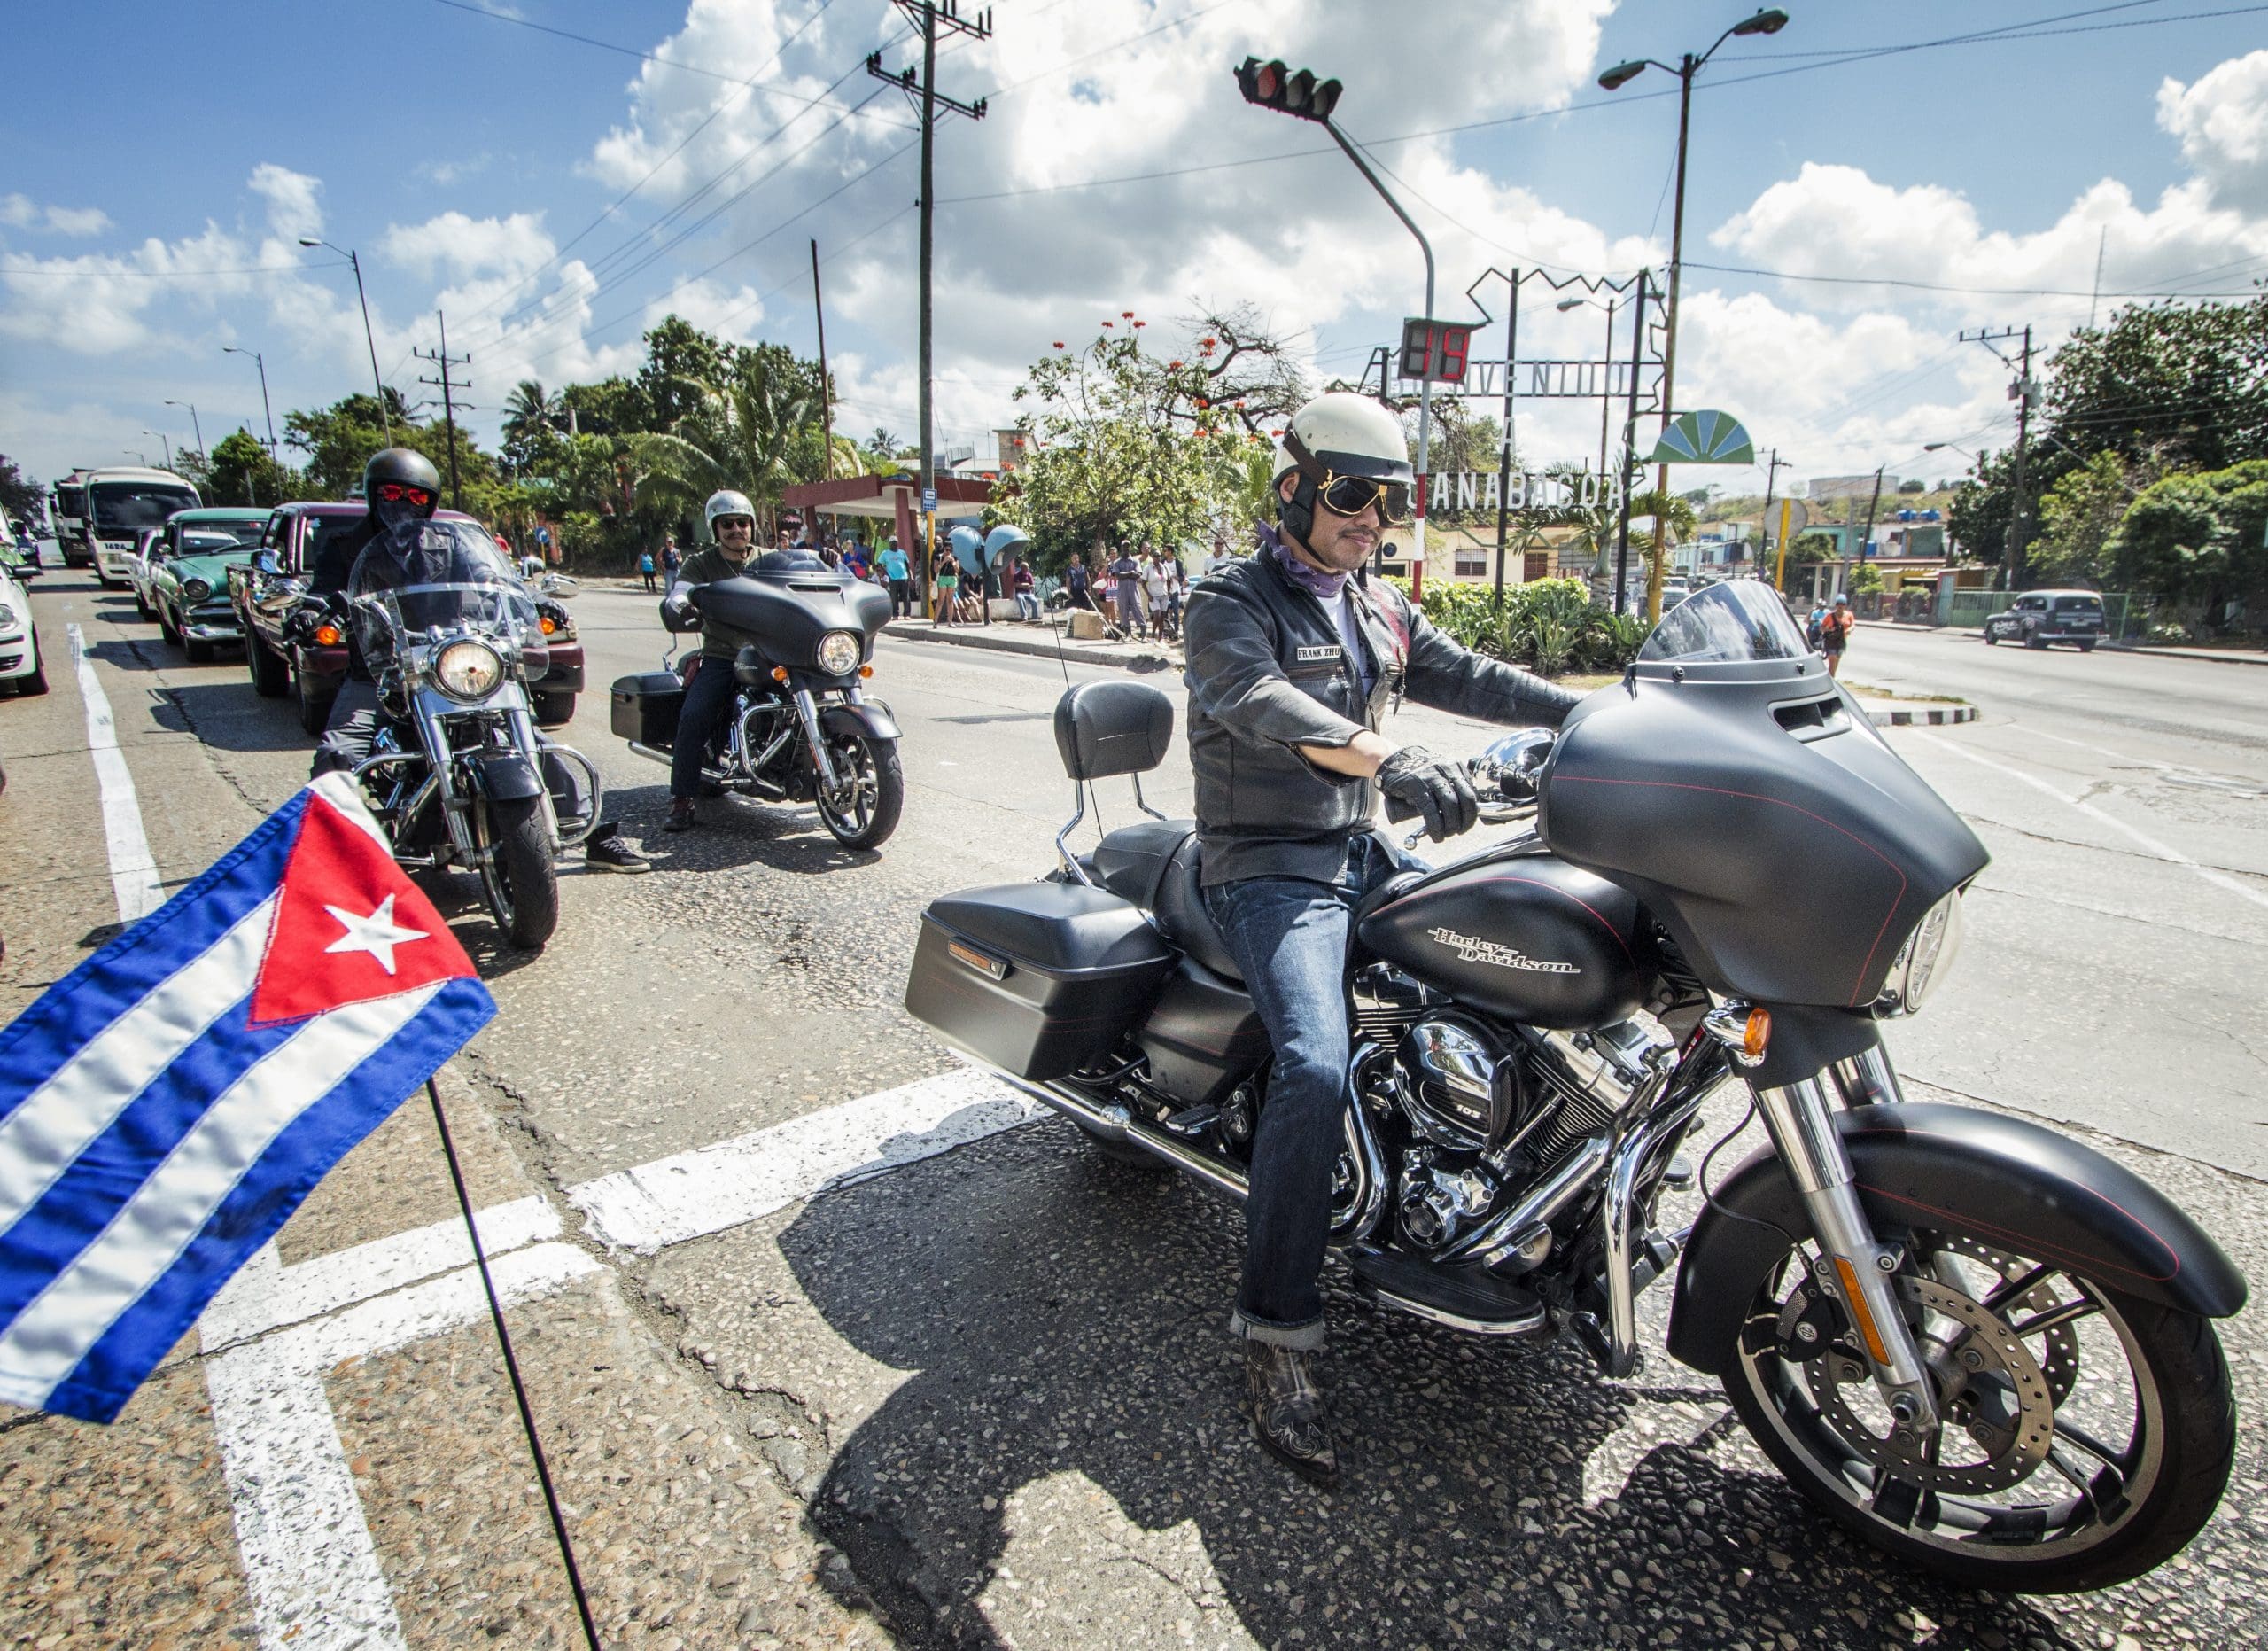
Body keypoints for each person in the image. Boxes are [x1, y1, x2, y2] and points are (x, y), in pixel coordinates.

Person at [1182, 392, 1583, 1484]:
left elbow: (1475, 678)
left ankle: (1513, 1215)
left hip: (1360, 856)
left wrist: (1594, 716)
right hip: (1267, 866)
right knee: (1313, 1064)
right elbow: (1258, 699)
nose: (1371, 516)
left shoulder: (1378, 605)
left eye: (1388, 498)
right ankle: (1275, 1333)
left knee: (1521, 962)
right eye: (1351, 493)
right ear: (1296, 490)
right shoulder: (1231, 598)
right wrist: (1384, 756)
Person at [315, 448, 645, 870]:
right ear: (374, 495)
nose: (404, 504)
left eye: (416, 497)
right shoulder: (344, 547)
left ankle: (592, 832)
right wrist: (316, 608)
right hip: (381, 675)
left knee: (532, 742)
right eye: (393, 493)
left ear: (430, 502)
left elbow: (492, 580)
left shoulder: (449, 542)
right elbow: (325, 592)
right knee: (338, 751)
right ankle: (330, 860)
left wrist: (537, 600)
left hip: (454, 664)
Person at [660, 489, 767, 833]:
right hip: (724, 655)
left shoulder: (769, 559)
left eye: (742, 522)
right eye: (727, 524)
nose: (736, 529)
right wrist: (680, 602)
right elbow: (681, 589)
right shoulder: (701, 563)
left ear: (752, 525)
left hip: (770, 652)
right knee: (694, 716)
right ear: (715, 528)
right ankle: (681, 800)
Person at [1110, 545, 1144, 635]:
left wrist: (1125, 575)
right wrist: (1130, 573)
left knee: (1137, 608)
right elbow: (1117, 576)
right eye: (1124, 547)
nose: (1126, 549)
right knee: (1123, 611)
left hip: (1133, 589)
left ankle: (1143, 635)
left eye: (1128, 547)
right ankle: (1128, 634)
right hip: (1122, 590)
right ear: (1121, 549)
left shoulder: (1135, 561)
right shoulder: (1117, 562)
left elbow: (1138, 574)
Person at [1821, 592, 1854, 676]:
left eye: (1843, 604)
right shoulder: (1830, 616)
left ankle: (1830, 678)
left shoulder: (1849, 615)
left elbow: (1853, 625)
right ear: (1836, 605)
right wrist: (1828, 629)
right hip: (1830, 642)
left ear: (1845, 605)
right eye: (1838, 604)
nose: (1840, 606)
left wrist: (1849, 630)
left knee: (1836, 664)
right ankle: (1832, 682)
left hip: (1841, 642)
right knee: (1832, 663)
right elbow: (1821, 627)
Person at [1143, 552, 1174, 642]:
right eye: (1155, 556)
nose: (1157, 557)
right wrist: (1148, 595)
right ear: (1152, 557)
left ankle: (1160, 638)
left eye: (1159, 556)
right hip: (1153, 595)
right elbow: (1143, 583)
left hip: (1164, 595)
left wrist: (1169, 591)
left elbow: (1169, 580)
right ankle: (1153, 635)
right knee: (1157, 614)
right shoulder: (1148, 568)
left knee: (1162, 618)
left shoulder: (1164, 567)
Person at [881, 536, 913, 618]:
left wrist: (911, 576)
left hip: (904, 577)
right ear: (889, 544)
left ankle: (907, 614)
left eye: (895, 542)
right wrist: (885, 572)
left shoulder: (902, 553)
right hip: (893, 578)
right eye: (892, 542)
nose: (894, 544)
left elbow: (907, 565)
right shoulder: (885, 553)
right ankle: (895, 614)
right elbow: (879, 564)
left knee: (906, 596)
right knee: (894, 597)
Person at [933, 549, 959, 625]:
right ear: (944, 549)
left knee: (950, 600)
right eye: (946, 550)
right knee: (940, 600)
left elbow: (958, 571)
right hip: (942, 578)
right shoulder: (939, 557)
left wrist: (953, 562)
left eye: (950, 550)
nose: (948, 552)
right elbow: (936, 570)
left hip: (952, 578)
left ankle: (950, 621)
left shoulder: (955, 557)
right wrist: (944, 561)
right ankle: (935, 621)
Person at [1010, 557, 1040, 621]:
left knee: (1034, 601)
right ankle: (1024, 616)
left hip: (1028, 593)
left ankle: (1035, 618)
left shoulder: (1029, 575)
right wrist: (1023, 586)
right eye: (1026, 568)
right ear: (1022, 568)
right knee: (1021, 599)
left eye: (1027, 568)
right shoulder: (1017, 575)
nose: (1027, 569)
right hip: (1020, 593)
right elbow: (1015, 585)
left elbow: (1033, 586)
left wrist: (1025, 586)